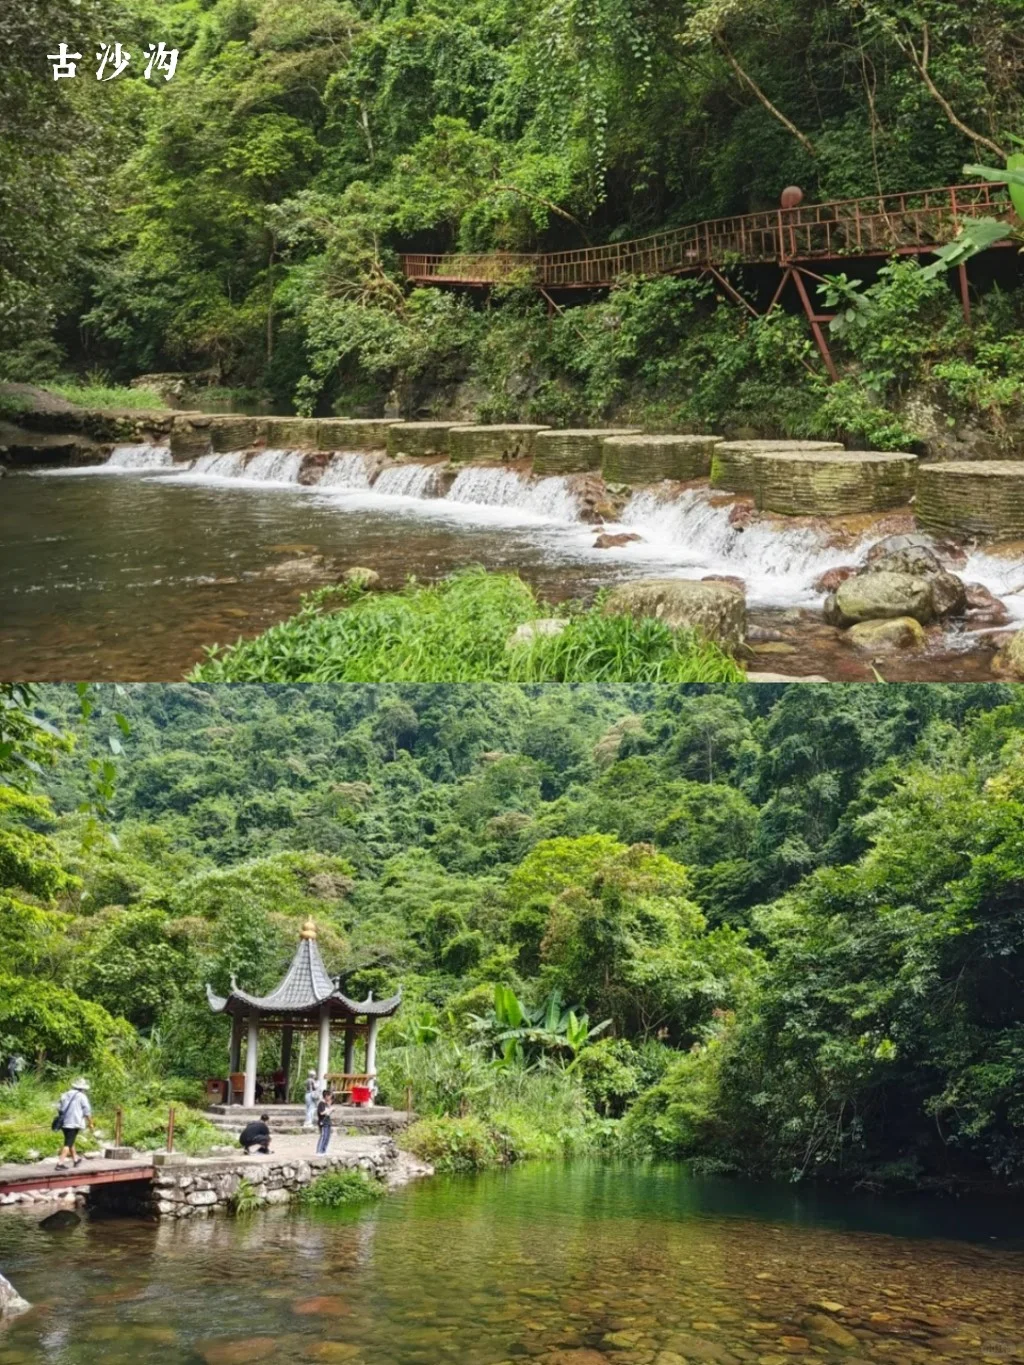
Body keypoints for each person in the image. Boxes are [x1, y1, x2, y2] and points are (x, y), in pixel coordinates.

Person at [55, 1078, 94, 1169]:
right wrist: (90, 1123)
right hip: (74, 1123)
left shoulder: (65, 1094)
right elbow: (87, 1111)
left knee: (70, 1141)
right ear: (82, 1088)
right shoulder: (82, 1096)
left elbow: (59, 1107)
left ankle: (75, 1159)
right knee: (68, 1144)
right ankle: (60, 1164)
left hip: (64, 1123)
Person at [315, 1089, 333, 1154]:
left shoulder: (327, 1104)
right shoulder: (321, 1103)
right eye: (329, 1096)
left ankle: (324, 1150)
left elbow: (328, 1113)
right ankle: (319, 1151)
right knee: (323, 1136)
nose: (330, 1098)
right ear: (326, 1096)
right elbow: (321, 1113)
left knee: (327, 1137)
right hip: (323, 1122)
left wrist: (330, 1108)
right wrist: (328, 1110)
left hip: (328, 1121)